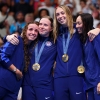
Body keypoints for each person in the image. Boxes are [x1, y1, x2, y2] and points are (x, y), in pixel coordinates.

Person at [0, 21, 39, 100]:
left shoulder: (31, 48)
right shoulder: (17, 39)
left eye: (36, 31)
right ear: (25, 31)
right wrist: (16, 70)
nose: (33, 32)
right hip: (2, 83)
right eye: (30, 29)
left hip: (14, 88)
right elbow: (2, 56)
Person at [76, 13, 100, 100]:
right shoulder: (84, 38)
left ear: (86, 23)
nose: (77, 26)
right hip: (89, 83)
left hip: (97, 82)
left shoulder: (95, 37)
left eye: (79, 23)